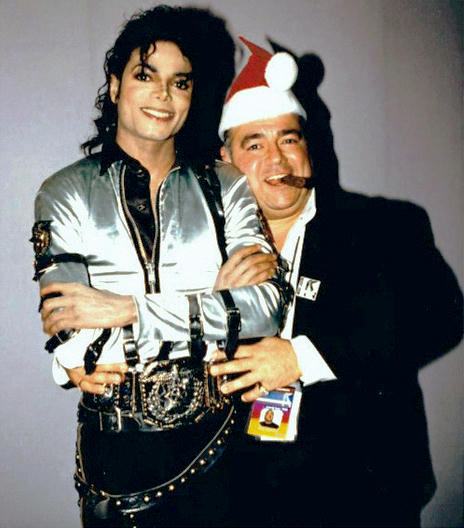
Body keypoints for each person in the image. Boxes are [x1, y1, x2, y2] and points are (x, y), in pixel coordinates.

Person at [32, 11, 288, 528]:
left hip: (223, 450)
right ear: (115, 85)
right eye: (145, 76)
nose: (163, 96)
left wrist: (127, 309)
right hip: (116, 466)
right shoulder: (65, 191)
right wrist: (214, 306)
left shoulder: (226, 184)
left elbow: (265, 310)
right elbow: (78, 341)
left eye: (180, 82)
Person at [210, 37, 464, 527]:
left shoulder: (384, 227)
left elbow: (441, 317)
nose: (277, 159)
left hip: (362, 500)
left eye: (288, 139)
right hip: (245, 504)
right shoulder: (205, 249)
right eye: (254, 144)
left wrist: (299, 358)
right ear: (226, 159)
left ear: (307, 145)